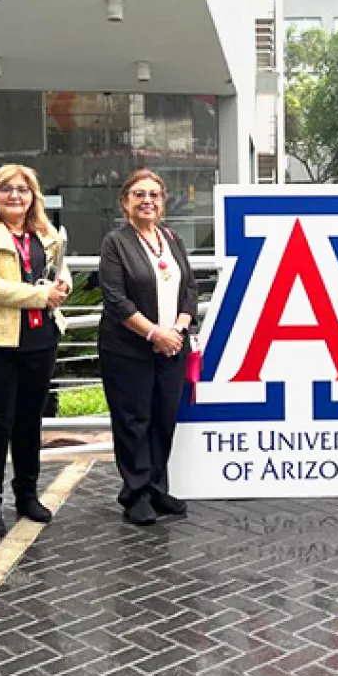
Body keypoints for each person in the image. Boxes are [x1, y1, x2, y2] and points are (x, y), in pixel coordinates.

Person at [0, 164, 71, 538]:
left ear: (33, 196)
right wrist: (42, 295)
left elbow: (60, 269)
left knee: (29, 423)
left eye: (23, 189)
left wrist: (62, 286)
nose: (15, 195)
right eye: (6, 189)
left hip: (39, 341)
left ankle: (27, 494)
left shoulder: (45, 232)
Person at [98, 169, 198, 526]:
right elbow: (115, 299)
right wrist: (155, 333)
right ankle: (136, 493)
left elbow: (190, 289)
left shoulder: (171, 239)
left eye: (154, 195)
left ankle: (156, 487)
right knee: (133, 420)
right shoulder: (116, 242)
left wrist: (178, 330)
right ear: (125, 202)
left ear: (163, 202)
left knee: (162, 419)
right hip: (128, 349)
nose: (147, 201)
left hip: (172, 347)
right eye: (139, 194)